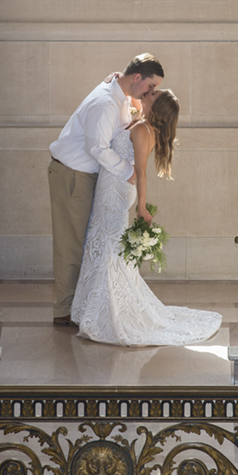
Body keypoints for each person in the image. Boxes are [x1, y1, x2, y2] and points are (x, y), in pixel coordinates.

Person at [70, 88, 223, 346]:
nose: (148, 92)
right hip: (111, 185)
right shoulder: (142, 122)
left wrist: (141, 207)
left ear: (156, 105)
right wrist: (114, 79)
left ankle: (109, 312)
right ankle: (93, 307)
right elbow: (129, 94)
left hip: (117, 191)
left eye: (154, 93)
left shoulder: (142, 131)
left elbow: (141, 172)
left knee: (109, 247)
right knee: (103, 242)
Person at [48, 54, 163, 326]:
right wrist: (129, 172)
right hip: (72, 174)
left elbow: (132, 115)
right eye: (150, 86)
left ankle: (83, 305)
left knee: (87, 241)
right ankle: (64, 309)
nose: (150, 92)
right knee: (71, 243)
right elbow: (97, 147)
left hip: (91, 176)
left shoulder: (122, 95)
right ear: (137, 78)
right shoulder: (105, 101)